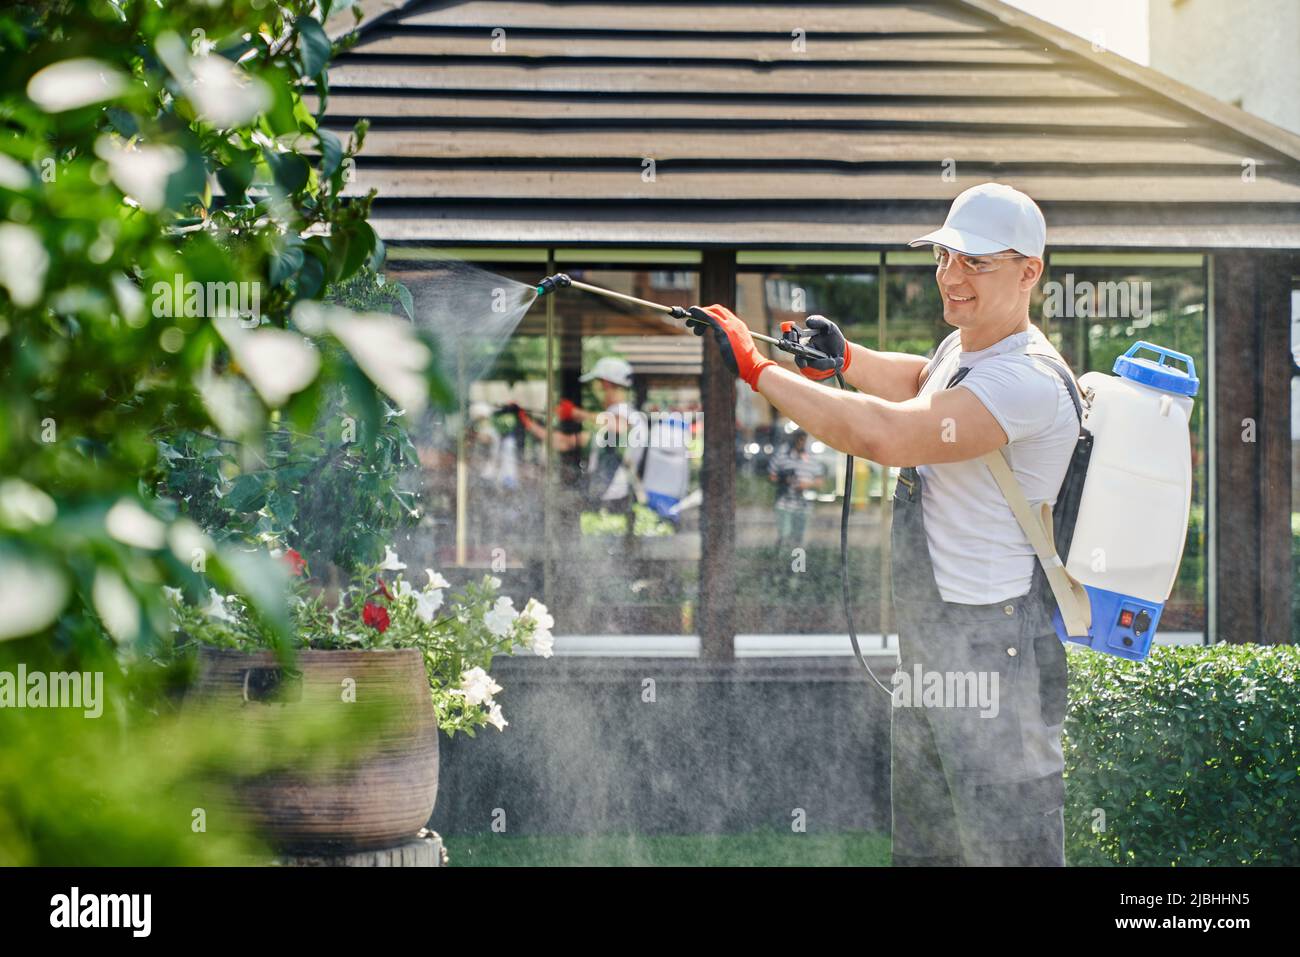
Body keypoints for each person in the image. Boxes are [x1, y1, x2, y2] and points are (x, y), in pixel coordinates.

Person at [688, 182, 1078, 867]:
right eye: (945, 257)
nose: (951, 277)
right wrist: (846, 359)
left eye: (976, 262)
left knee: (1009, 848)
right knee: (926, 852)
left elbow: (888, 436)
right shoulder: (966, 351)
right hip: (933, 643)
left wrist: (759, 371)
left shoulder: (1028, 380)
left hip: (994, 649)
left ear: (1030, 272)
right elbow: (920, 382)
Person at [516, 356, 648, 517]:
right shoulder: (607, 426)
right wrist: (527, 423)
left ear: (604, 384)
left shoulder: (629, 416)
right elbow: (563, 443)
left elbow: (619, 426)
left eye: (594, 384)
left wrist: (575, 413)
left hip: (616, 504)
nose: (592, 390)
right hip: (603, 503)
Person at [768, 428, 825, 552]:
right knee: (785, 534)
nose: (800, 443)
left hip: (804, 504)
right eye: (798, 440)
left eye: (803, 440)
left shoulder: (812, 458)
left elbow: (820, 481)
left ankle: (796, 564)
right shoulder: (782, 455)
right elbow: (771, 476)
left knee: (799, 537)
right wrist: (783, 480)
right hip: (784, 502)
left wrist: (807, 484)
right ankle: (781, 559)